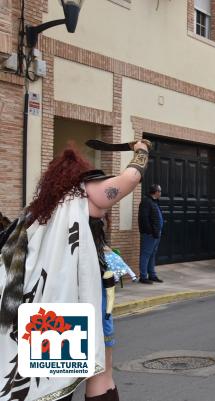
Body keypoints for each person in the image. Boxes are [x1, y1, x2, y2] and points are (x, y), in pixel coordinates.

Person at [0, 140, 150, 401]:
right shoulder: (82, 196)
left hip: (46, 300)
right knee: (77, 375)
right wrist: (142, 149)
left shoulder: (41, 210)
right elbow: (131, 177)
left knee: (52, 376)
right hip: (72, 298)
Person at [138, 184, 164, 284]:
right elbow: (144, 218)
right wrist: (150, 231)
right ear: (156, 192)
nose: (161, 193)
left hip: (156, 233)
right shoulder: (146, 202)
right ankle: (143, 277)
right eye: (160, 191)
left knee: (152, 254)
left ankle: (152, 275)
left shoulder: (154, 202)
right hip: (149, 234)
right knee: (145, 254)